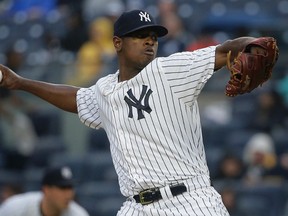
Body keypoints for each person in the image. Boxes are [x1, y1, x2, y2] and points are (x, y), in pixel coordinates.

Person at [0, 9, 274, 216]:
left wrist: (252, 44)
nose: (149, 42)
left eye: (153, 37)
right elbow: (76, 99)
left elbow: (225, 50)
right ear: (117, 43)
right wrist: (20, 82)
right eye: (140, 36)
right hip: (137, 207)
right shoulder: (105, 90)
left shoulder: (168, 70)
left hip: (189, 200)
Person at [0, 166, 89, 216]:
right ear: (46, 190)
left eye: (70, 188)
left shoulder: (78, 214)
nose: (69, 194)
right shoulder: (16, 207)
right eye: (63, 188)